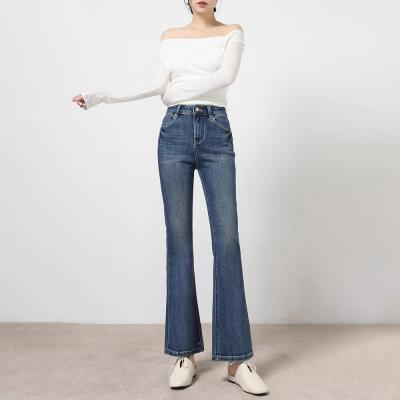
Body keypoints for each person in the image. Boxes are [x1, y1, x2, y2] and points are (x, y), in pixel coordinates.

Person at [72, 0, 268, 395]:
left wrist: (173, 91)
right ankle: (184, 354)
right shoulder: (170, 37)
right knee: (178, 241)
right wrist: (104, 96)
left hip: (216, 132)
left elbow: (223, 78)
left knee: (227, 241)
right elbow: (158, 85)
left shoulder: (232, 32)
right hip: (173, 133)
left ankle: (237, 360)